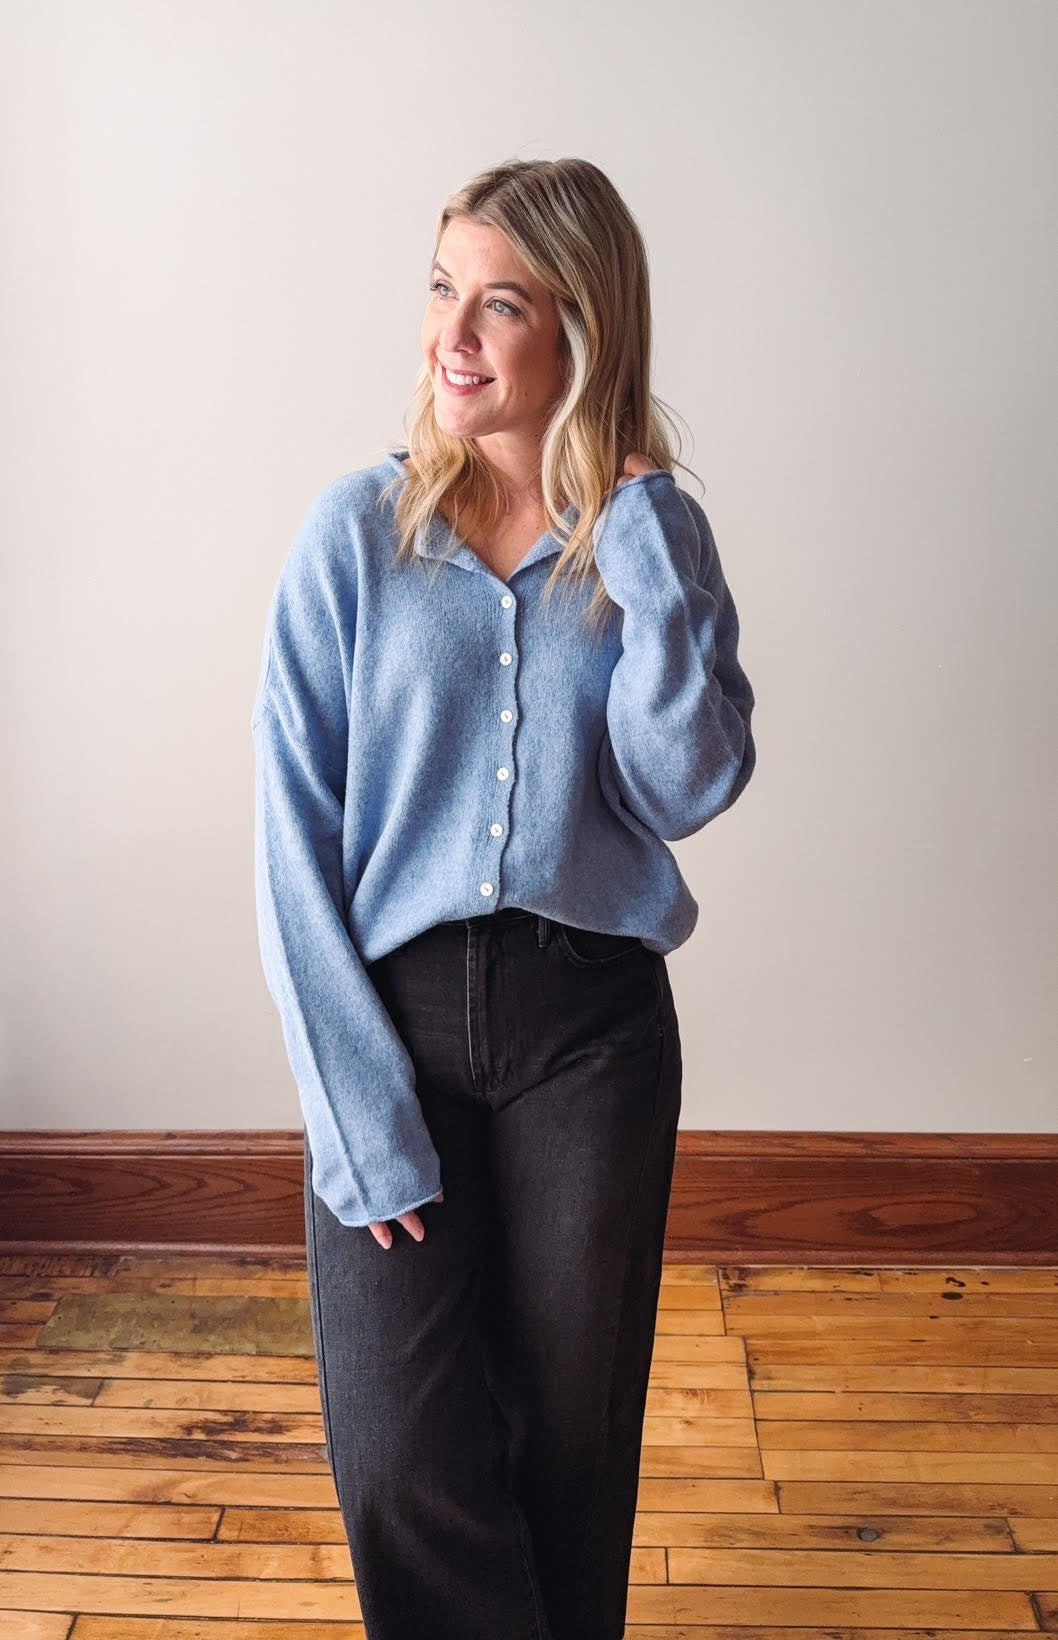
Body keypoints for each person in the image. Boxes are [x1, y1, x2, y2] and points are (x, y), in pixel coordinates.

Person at [251, 156, 756, 1640]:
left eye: (500, 304)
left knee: (567, 1448)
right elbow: (291, 844)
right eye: (439, 289)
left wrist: (653, 555)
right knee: (402, 1463)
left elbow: (687, 788)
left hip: (586, 1031)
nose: (448, 334)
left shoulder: (644, 545)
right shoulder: (356, 536)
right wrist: (356, 1107)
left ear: (579, 337)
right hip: (390, 1022)